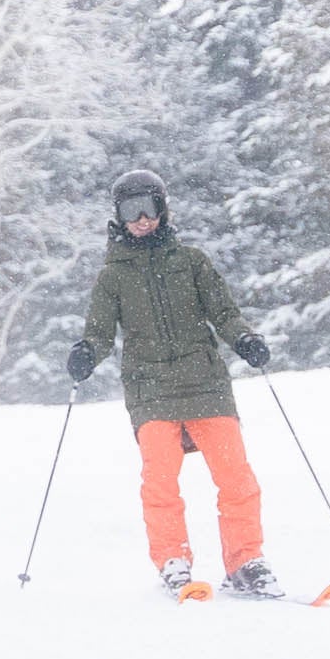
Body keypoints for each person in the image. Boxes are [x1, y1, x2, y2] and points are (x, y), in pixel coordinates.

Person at [63, 169, 289, 600]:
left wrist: (244, 338)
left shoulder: (191, 261)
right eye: (132, 210)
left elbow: (223, 312)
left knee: (236, 477)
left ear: (163, 210)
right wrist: (87, 353)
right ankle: (173, 560)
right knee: (161, 482)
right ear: (119, 215)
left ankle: (245, 561)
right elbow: (99, 332)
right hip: (150, 389)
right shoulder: (113, 276)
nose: (143, 218)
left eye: (150, 207)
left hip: (205, 382)